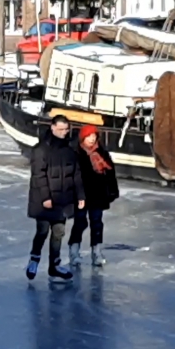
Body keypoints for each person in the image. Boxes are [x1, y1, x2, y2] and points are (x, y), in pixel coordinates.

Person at [26, 115, 84, 282]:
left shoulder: (70, 149)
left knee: (59, 232)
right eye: (60, 129)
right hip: (44, 200)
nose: (64, 133)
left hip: (63, 198)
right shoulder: (41, 149)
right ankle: (34, 259)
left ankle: (54, 265)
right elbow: (38, 175)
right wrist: (45, 197)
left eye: (66, 129)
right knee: (42, 231)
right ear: (52, 128)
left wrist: (80, 195)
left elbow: (76, 174)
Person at [67, 125, 119, 267]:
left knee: (96, 223)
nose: (92, 138)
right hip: (81, 195)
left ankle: (96, 252)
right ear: (83, 137)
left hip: (97, 194)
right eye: (89, 136)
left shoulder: (101, 153)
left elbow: (110, 173)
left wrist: (112, 191)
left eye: (94, 136)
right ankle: (74, 251)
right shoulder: (76, 153)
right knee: (80, 222)